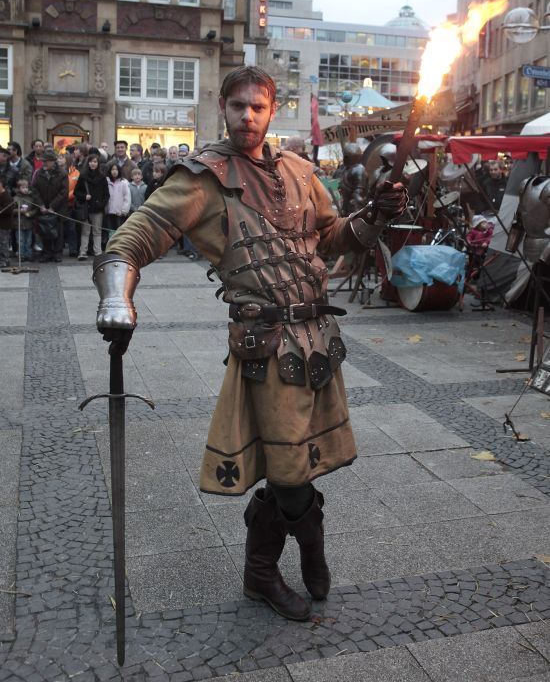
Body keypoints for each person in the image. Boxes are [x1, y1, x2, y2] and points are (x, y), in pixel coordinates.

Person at [92, 66, 406, 621]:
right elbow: (133, 238)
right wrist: (118, 297)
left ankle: (268, 565)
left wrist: (375, 216)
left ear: (272, 110)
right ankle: (294, 554)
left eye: (257, 107)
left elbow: (331, 237)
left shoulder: (300, 170)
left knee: (299, 462)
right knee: (288, 471)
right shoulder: (203, 178)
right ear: (223, 107)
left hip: (317, 341)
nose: (246, 116)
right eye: (237, 105)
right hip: (266, 347)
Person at [31, 148, 68, 262]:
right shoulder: (38, 173)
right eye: (43, 161)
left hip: (58, 208)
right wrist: (41, 205)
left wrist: (52, 206)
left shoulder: (62, 173)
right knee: (44, 230)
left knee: (58, 231)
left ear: (53, 161)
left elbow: (63, 192)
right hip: (43, 207)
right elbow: (34, 190)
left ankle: (57, 253)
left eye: (46, 161)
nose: (44, 163)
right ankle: (47, 253)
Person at [75, 152, 110, 260]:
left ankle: (98, 252)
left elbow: (106, 194)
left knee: (97, 231)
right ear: (88, 163)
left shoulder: (102, 177)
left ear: (98, 163)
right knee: (85, 231)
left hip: (98, 209)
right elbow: (76, 192)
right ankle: (83, 252)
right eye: (91, 161)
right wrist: (84, 196)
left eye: (95, 162)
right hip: (86, 208)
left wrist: (101, 205)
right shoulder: (83, 176)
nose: (93, 164)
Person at [57, 152, 80, 257]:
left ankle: (73, 249)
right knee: (59, 228)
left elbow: (77, 188)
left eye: (61, 158)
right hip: (58, 204)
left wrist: (66, 196)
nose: (59, 159)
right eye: (58, 158)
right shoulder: (56, 172)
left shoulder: (76, 173)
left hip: (70, 204)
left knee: (71, 228)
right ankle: (58, 249)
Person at [12, 177, 38, 261]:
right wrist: (20, 211)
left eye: (26, 187)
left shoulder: (31, 198)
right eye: (23, 187)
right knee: (20, 241)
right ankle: (21, 255)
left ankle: (28, 255)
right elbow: (12, 210)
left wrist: (30, 213)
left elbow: (35, 209)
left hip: (29, 223)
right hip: (19, 223)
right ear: (19, 188)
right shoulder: (15, 198)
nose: (25, 189)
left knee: (28, 240)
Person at [339, 143, 369, 216]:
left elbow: (359, 191)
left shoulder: (359, 169)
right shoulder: (346, 169)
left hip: (354, 207)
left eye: (346, 157)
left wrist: (356, 207)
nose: (344, 159)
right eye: (344, 156)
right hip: (346, 203)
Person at [105, 163, 131, 234]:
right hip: (109, 212)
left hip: (119, 213)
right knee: (110, 232)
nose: (114, 171)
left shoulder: (124, 182)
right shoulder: (107, 182)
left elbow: (127, 198)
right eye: (112, 169)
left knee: (119, 232)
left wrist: (124, 211)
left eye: (116, 169)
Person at [0, 174, 12, 268]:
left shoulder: (6, 195)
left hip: (4, 224)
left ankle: (5, 260)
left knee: (3, 243)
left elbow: (8, 210)